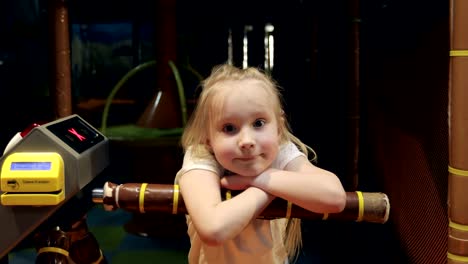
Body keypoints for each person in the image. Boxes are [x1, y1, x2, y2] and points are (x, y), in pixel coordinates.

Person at [175, 64, 346, 264]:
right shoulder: (202, 157)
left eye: (258, 123)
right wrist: (268, 190)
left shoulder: (279, 150)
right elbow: (214, 229)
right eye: (229, 128)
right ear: (208, 138)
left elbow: (334, 197)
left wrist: (262, 178)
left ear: (279, 127)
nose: (247, 141)